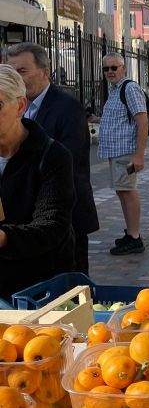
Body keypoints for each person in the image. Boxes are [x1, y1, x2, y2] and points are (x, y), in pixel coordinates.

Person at [7, 42, 99, 274]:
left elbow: (69, 158)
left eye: (22, 71)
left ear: (45, 72)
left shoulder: (68, 108)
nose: (16, 78)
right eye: (10, 71)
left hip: (67, 217)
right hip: (23, 225)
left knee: (72, 284)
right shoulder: (11, 108)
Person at [0, 65, 75, 302]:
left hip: (39, 292)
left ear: (20, 106)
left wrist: (4, 238)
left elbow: (52, 226)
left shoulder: (52, 156)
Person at [97, 54, 147, 256]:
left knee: (128, 191)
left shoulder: (129, 88)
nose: (110, 71)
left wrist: (139, 155)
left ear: (124, 68)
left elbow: (142, 121)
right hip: (116, 151)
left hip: (125, 151)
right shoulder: (114, 90)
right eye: (106, 68)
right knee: (122, 191)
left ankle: (135, 238)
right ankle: (131, 233)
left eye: (114, 67)